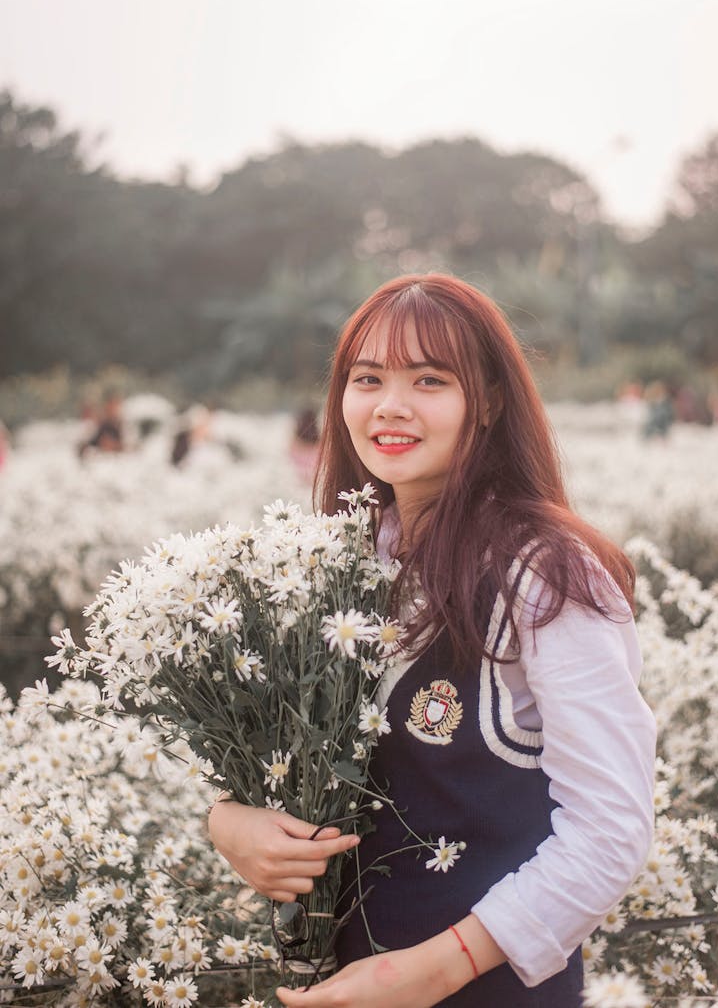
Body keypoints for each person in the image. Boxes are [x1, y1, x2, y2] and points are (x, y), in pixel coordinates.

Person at [208, 274, 656, 1007]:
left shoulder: (543, 573)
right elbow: (269, 761)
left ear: (489, 401)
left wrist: (438, 967)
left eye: (429, 379)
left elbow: (611, 827)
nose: (391, 404)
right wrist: (228, 822)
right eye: (368, 378)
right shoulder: (325, 562)